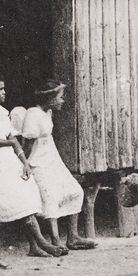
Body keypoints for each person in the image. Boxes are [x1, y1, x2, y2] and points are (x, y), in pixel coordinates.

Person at [0, 77, 67, 258]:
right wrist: (9, 142)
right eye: (0, 89)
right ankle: (42, 243)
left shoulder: (2, 111)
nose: (4, 92)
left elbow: (14, 140)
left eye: (4, 88)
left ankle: (34, 247)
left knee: (30, 192)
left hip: (11, 158)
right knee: (19, 198)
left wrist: (24, 162)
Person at [22, 79, 98, 250]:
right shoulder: (33, 114)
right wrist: (24, 165)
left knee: (75, 191)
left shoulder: (47, 113)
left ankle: (73, 237)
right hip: (38, 161)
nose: (62, 100)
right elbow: (27, 144)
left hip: (51, 158)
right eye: (60, 97)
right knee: (50, 197)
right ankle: (55, 240)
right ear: (50, 98)